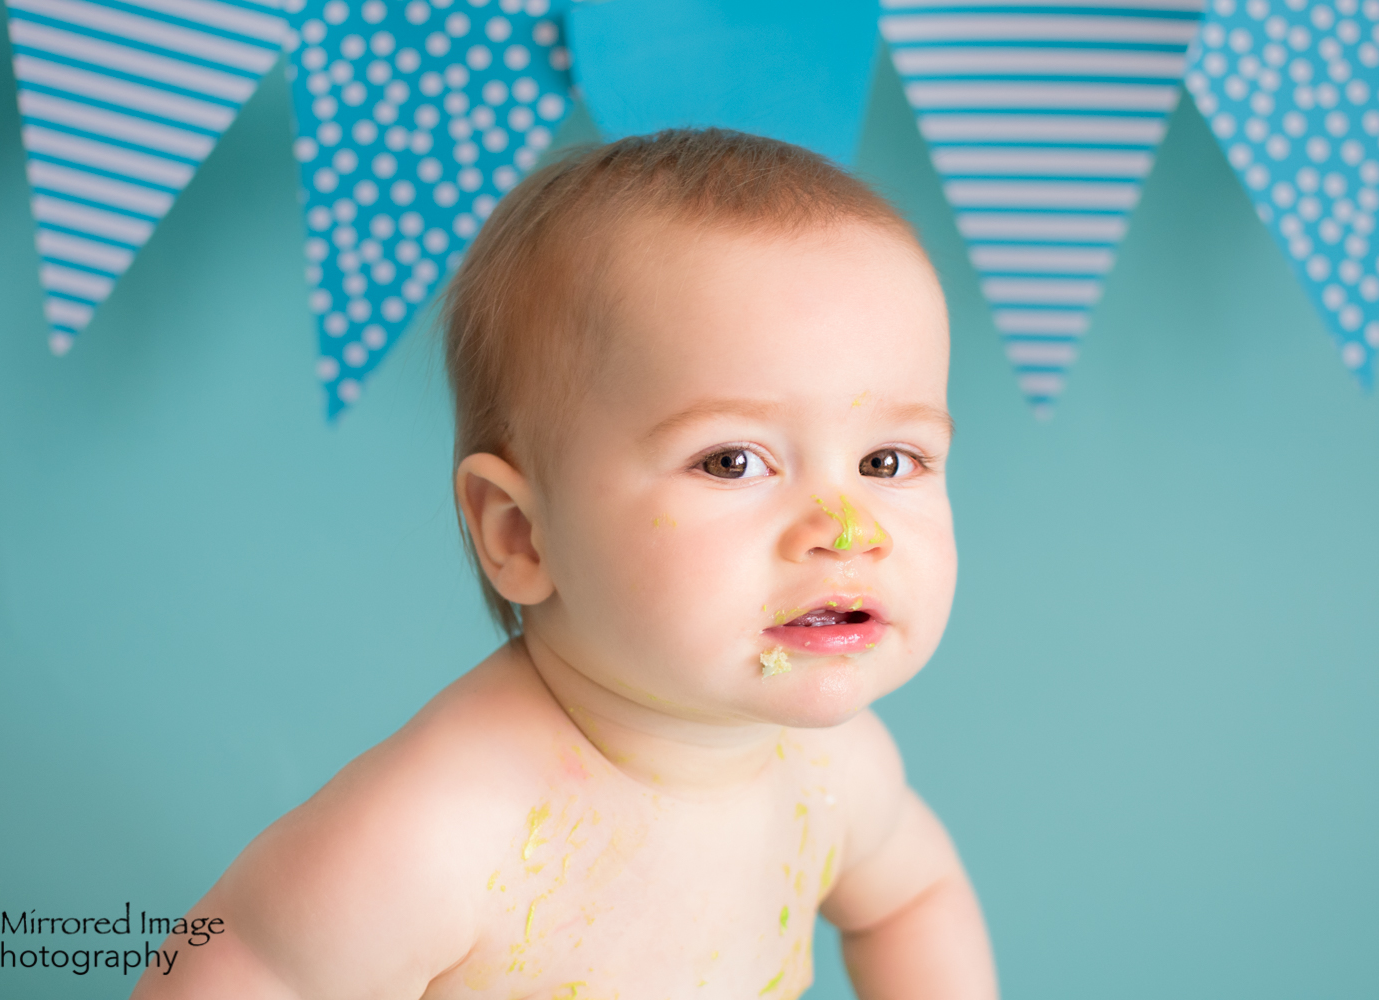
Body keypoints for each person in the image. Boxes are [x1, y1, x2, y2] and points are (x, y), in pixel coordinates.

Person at [131, 128, 996, 999]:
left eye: (890, 462)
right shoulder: (435, 837)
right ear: (520, 533)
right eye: (732, 462)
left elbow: (912, 899)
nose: (846, 531)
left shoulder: (836, 772)